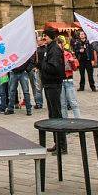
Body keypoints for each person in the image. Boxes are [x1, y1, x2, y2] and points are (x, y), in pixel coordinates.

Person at [40, 27, 66, 155]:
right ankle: (57, 143)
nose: (44, 38)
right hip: (49, 84)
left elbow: (54, 67)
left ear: (51, 37)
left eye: (45, 36)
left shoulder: (54, 49)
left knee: (56, 114)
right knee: (52, 114)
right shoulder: (49, 48)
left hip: (54, 84)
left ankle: (62, 146)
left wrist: (41, 64)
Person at [58, 36, 80, 118]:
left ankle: (78, 121)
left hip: (68, 80)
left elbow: (75, 68)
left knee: (73, 102)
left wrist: (72, 62)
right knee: (62, 104)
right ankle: (65, 123)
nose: (59, 46)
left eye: (60, 44)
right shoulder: (55, 55)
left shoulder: (68, 54)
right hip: (60, 80)